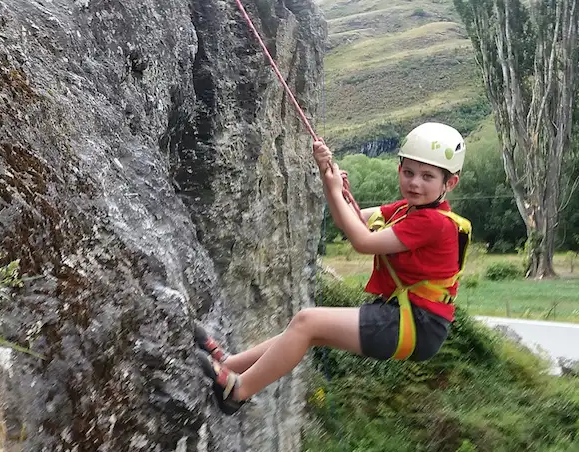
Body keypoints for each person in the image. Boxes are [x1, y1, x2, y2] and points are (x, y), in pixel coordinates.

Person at [196, 122, 471, 414]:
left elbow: (363, 241)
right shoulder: (405, 209)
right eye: (409, 172)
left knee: (307, 322)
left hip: (416, 324)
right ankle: (229, 365)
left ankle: (237, 391)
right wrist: (329, 180)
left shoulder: (433, 223)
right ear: (399, 168)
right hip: (406, 317)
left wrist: (334, 188)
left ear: (449, 183)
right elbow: (349, 220)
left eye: (427, 176)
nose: (415, 183)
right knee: (305, 330)